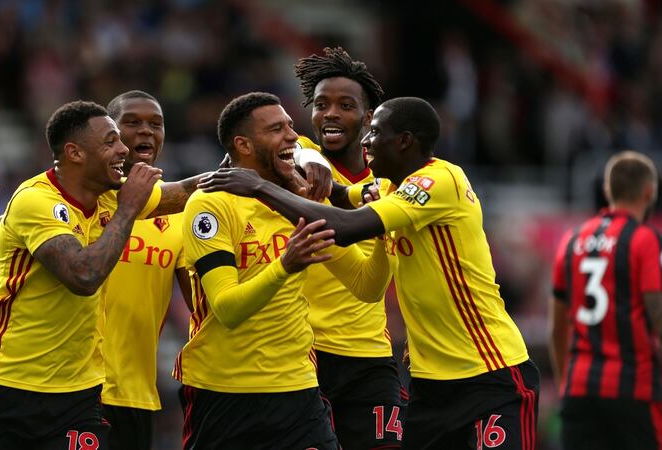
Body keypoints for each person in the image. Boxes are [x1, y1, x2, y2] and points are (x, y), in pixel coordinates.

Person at [0, 90, 334, 450]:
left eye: (156, 123)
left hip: (107, 392)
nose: (134, 140)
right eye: (120, 132)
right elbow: (75, 274)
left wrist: (301, 155)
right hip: (10, 383)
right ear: (76, 151)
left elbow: (215, 179)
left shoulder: (141, 200)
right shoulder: (47, 200)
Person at [198, 96, 539, 450]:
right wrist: (301, 163)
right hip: (428, 382)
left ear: (404, 141)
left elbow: (344, 226)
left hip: (489, 372)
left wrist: (260, 187)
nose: (364, 141)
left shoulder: (439, 181)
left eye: (374, 133)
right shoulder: (392, 188)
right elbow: (342, 194)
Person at [175, 92, 392, 449]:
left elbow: (365, 286)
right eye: (276, 129)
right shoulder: (210, 204)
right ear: (243, 144)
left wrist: (384, 232)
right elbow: (228, 309)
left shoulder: (300, 203)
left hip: (298, 390)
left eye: (291, 125)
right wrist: (286, 265)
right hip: (223, 392)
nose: (292, 136)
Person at [0, 100, 164, 449]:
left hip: (78, 395)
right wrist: (129, 209)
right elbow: (83, 277)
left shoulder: (110, 195)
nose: (123, 149)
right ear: (75, 153)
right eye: (110, 141)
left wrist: (255, 178)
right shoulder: (35, 200)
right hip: (8, 387)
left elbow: (188, 193)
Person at [293, 46, 406, 449]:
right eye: (321, 104)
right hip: (305, 354)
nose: (331, 114)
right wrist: (308, 155)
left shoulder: (391, 179)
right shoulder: (296, 164)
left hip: (371, 356)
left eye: (345, 105)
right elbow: (294, 147)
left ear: (369, 117)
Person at [549, 151, 662, 450]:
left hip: (578, 389)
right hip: (633, 389)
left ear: (608, 191)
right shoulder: (644, 239)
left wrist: (565, 384)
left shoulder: (572, 240)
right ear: (649, 192)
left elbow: (556, 329)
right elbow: (658, 316)